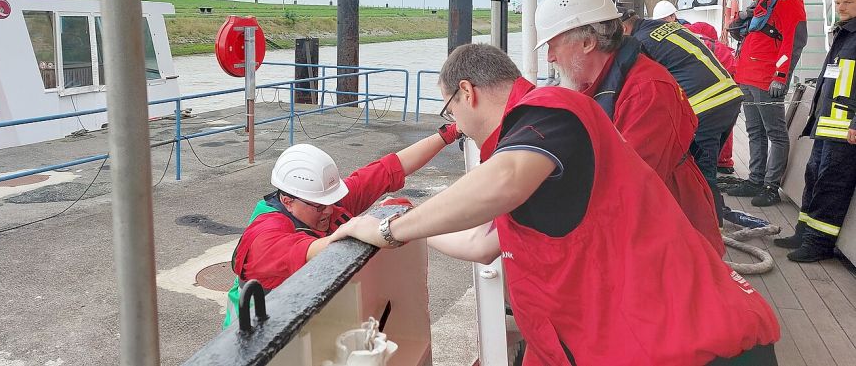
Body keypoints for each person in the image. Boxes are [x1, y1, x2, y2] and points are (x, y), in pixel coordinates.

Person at [332, 43, 780, 365]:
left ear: (466, 93)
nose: (457, 125)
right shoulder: (532, 146)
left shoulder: (550, 109)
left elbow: (502, 180)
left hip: (693, 343)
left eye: (450, 112)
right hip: (641, 339)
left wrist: (386, 233)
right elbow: (480, 241)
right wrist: (402, 220)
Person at [536, 0, 723, 254]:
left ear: (588, 42)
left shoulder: (647, 90)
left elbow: (629, 185)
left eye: (553, 46)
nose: (550, 58)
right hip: (644, 227)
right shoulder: (597, 82)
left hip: (673, 234)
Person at [223, 128, 459, 327]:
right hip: (258, 338)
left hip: (300, 322)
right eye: (319, 206)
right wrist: (352, 229)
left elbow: (389, 169)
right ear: (287, 201)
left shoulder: (323, 201)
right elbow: (308, 250)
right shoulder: (264, 235)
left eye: (331, 202)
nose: (329, 210)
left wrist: (448, 133)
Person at [623, 10, 743, 221]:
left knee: (699, 176)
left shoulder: (640, 42)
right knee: (705, 171)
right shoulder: (663, 27)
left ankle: (709, 233)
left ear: (624, 28)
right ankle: (711, 220)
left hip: (706, 106)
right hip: (727, 99)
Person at [773, 0, 856, 262]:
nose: (841, 6)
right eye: (839, 1)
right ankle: (804, 230)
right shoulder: (844, 35)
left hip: (845, 126)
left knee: (832, 183)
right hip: (827, 119)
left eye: (847, 2)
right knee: (814, 175)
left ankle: (819, 243)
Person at [726, 0, 808, 206]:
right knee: (754, 131)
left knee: (775, 133)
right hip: (749, 76)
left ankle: (771, 185)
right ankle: (755, 179)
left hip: (766, 79)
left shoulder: (788, 0)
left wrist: (780, 77)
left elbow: (794, 42)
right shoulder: (765, 0)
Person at [687, 21, 738, 176]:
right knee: (724, 128)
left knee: (711, 128)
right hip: (729, 85)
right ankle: (722, 161)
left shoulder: (693, 42)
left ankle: (717, 163)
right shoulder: (712, 44)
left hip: (719, 88)